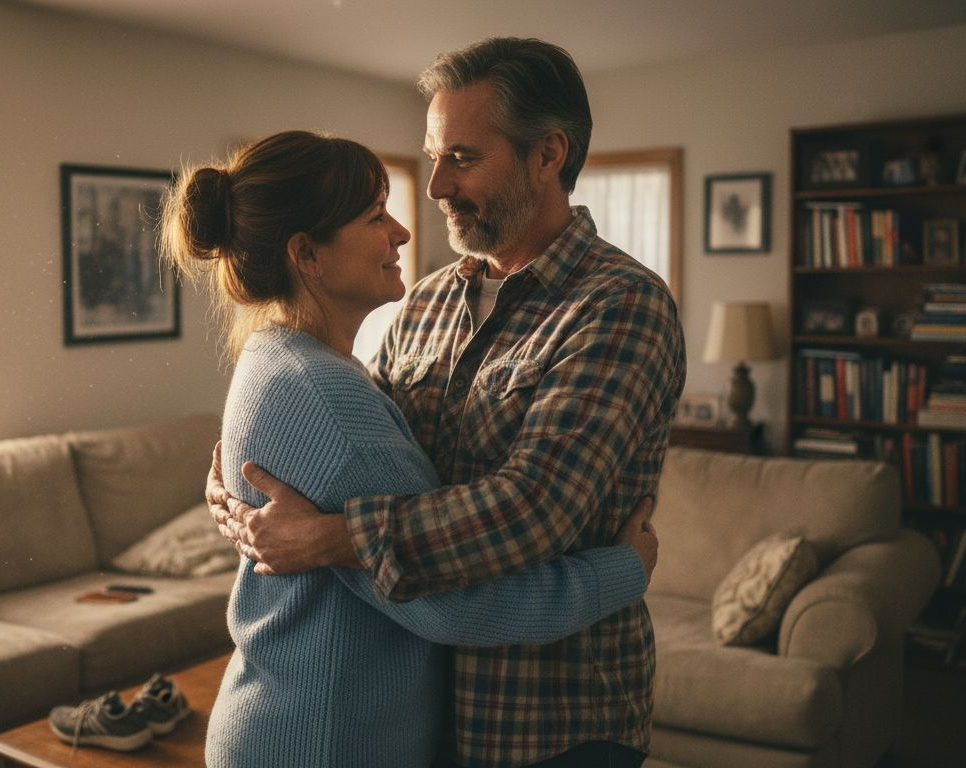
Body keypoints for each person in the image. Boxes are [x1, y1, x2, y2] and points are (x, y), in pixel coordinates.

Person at [210, 38, 686, 767]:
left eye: (461, 158)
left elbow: (531, 508)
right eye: (432, 157)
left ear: (548, 154)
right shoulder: (426, 301)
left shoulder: (620, 306)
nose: (434, 188)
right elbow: (364, 454)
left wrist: (330, 538)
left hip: (552, 721)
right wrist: (242, 489)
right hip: (430, 713)